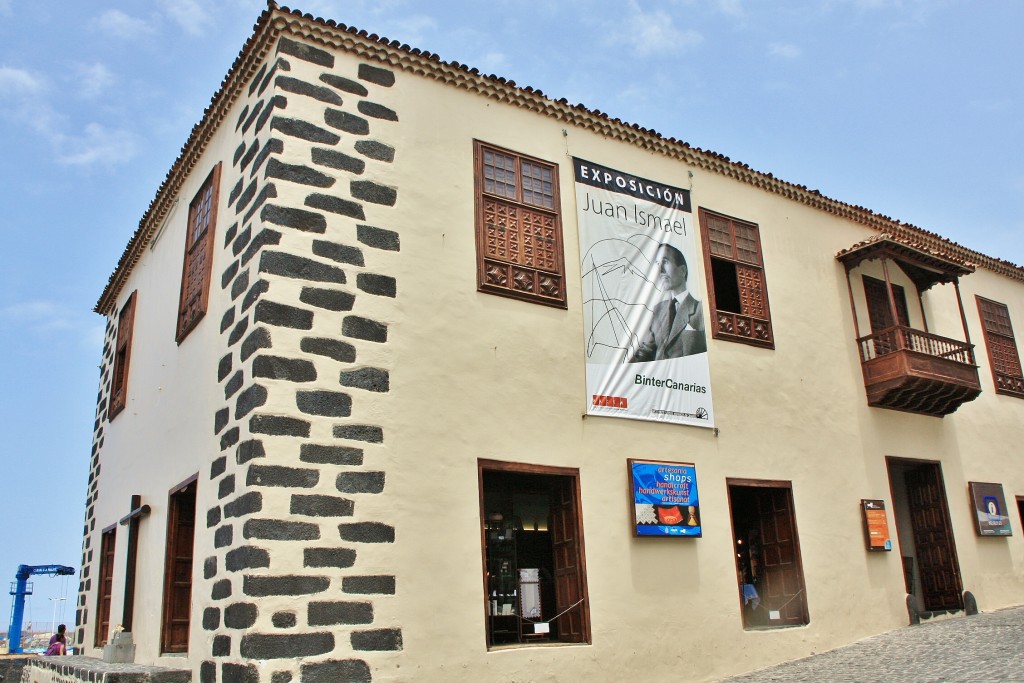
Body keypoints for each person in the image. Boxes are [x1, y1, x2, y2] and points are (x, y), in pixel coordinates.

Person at [628, 243, 706, 362]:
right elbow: (646, 350)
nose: (660, 270)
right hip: (658, 380)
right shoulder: (658, 310)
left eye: (665, 262)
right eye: (658, 264)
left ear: (682, 271)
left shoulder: (700, 310)